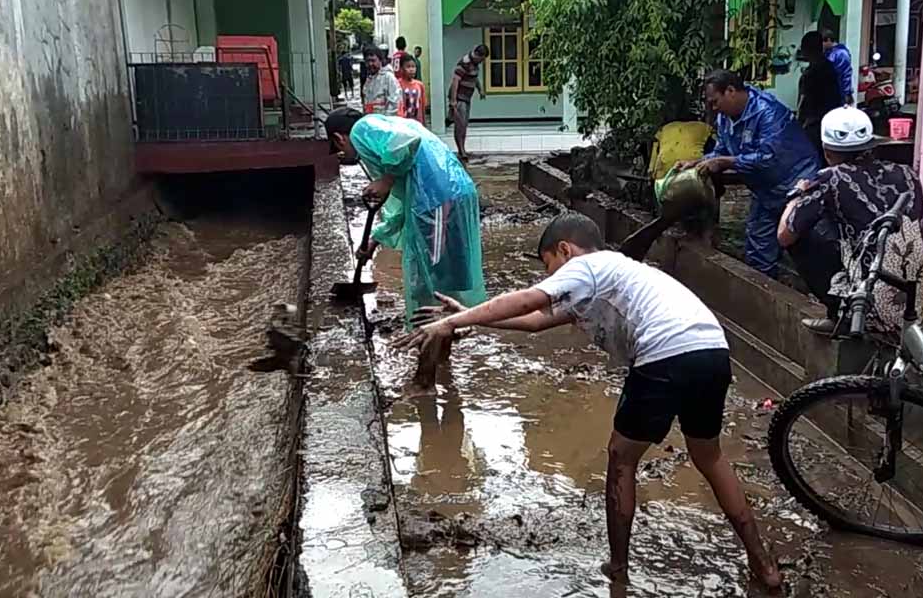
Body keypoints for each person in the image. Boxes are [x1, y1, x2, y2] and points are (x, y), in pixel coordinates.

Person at [396, 213, 781, 590]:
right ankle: (764, 566)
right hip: (711, 351)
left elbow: (530, 298)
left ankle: (617, 568)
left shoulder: (591, 265)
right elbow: (535, 320)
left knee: (621, 457)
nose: (552, 279)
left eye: (550, 268)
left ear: (565, 249)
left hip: (664, 351)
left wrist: (451, 324)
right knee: (709, 456)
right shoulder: (616, 277)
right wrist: (470, 317)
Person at [324, 108, 486, 390]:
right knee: (444, 285)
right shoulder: (384, 140)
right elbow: (404, 202)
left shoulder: (364, 129)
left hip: (438, 201)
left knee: (427, 289)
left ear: (339, 139)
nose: (344, 156)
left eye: (339, 151)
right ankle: (442, 363)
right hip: (446, 197)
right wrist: (374, 239)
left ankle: (425, 380)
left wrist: (385, 180)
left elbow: (407, 140)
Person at [778, 106, 923, 335]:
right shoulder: (908, 173)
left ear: (827, 151)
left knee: (803, 234)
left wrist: (798, 194)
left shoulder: (831, 177)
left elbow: (784, 235)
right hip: (919, 301)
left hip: (871, 303)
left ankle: (839, 314)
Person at [678, 69, 821, 278]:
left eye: (715, 101)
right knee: (758, 248)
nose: (713, 108)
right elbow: (722, 150)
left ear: (730, 91)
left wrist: (727, 162)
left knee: (809, 248)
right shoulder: (725, 119)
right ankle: (763, 292)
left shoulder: (768, 112)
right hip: (765, 191)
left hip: (797, 185)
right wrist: (698, 162)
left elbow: (768, 158)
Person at [797, 31, 843, 158]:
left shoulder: (811, 73)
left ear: (806, 49)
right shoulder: (830, 68)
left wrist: (799, 123)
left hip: (813, 123)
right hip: (830, 121)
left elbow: (803, 100)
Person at [447, 44, 489, 162]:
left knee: (464, 124)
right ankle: (461, 151)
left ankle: (462, 149)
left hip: (467, 98)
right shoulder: (464, 63)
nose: (481, 62)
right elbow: (455, 81)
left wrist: (480, 89)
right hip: (459, 98)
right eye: (481, 59)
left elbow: (474, 78)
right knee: (460, 125)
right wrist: (453, 101)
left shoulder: (475, 64)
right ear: (477, 55)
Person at [362, 47, 400, 116]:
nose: (370, 64)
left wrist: (385, 122)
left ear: (380, 60)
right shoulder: (368, 80)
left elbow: (395, 103)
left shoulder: (388, 78)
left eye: (373, 61)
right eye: (367, 61)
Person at [822, 29, 855, 105]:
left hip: (839, 92)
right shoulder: (828, 52)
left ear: (829, 40)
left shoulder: (841, 53)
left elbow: (845, 73)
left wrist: (846, 93)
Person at [397, 54, 427, 126]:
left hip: (417, 123)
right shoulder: (397, 84)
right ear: (401, 68)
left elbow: (422, 105)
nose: (411, 69)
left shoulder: (419, 85)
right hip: (403, 123)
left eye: (413, 67)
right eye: (408, 67)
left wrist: (423, 123)